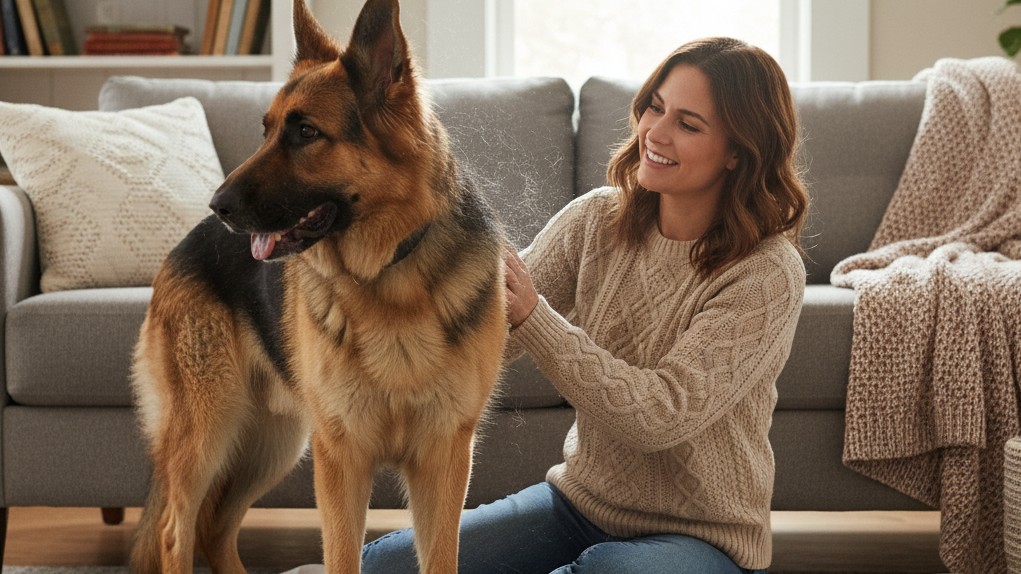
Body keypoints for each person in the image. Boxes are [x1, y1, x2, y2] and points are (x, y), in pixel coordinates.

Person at [361, 36, 808, 574]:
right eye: (655, 107)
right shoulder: (597, 219)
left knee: (605, 571)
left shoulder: (767, 273)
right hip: (579, 504)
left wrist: (535, 316)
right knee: (388, 564)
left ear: (739, 151)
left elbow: (659, 416)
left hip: (705, 537)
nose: (655, 133)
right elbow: (489, 337)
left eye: (689, 125)